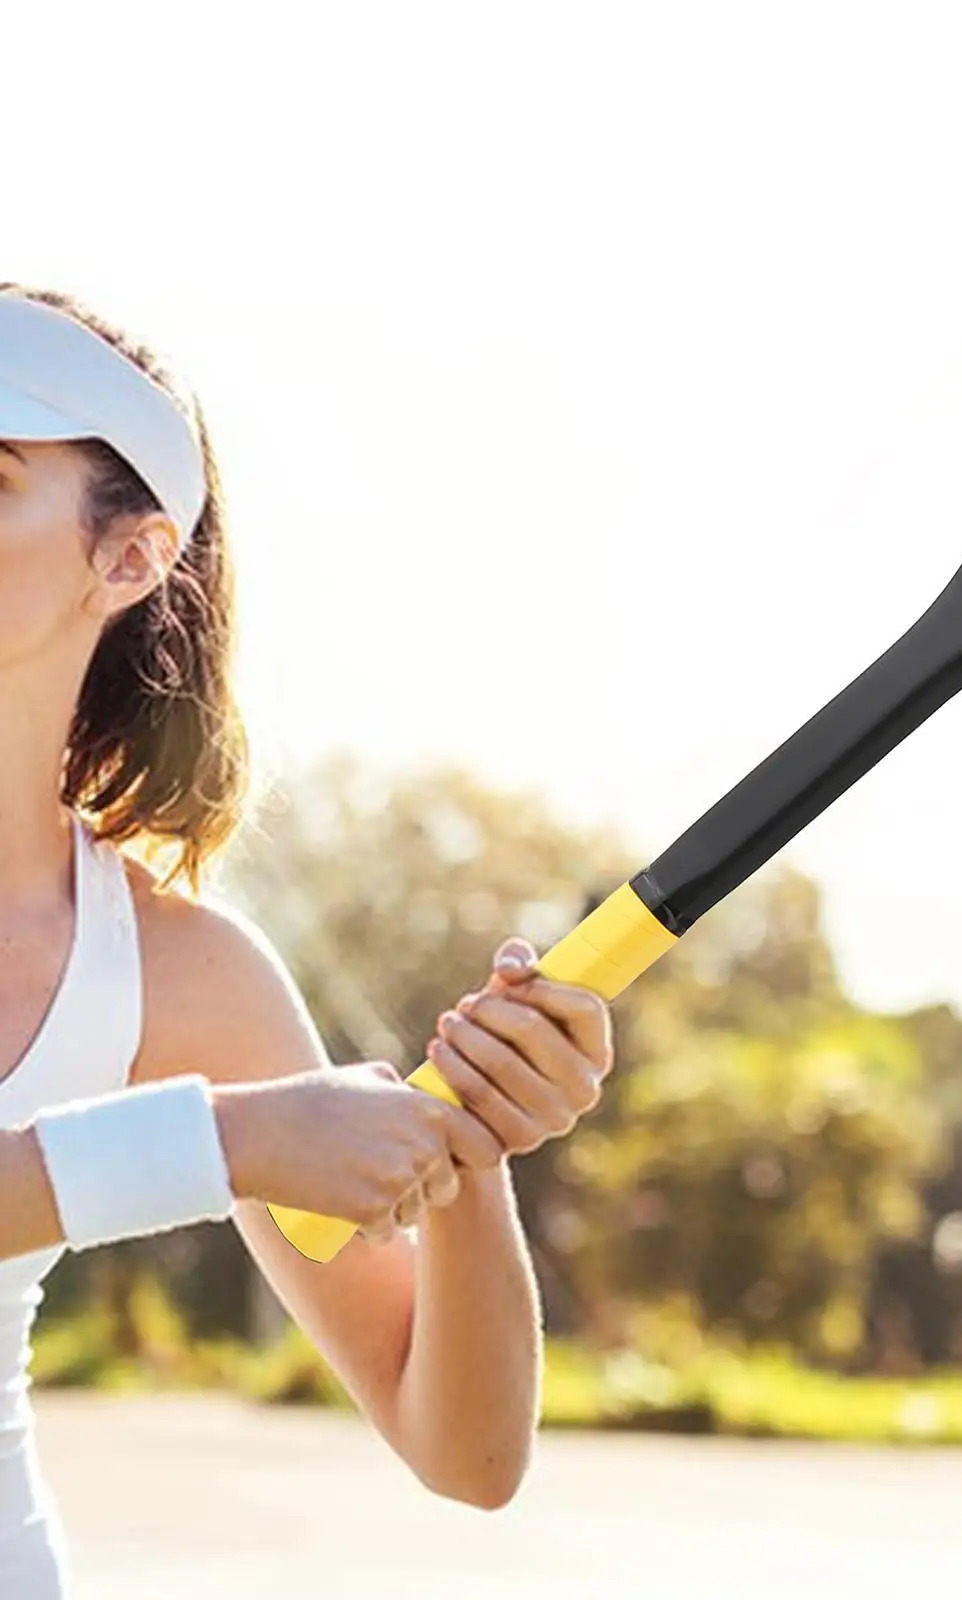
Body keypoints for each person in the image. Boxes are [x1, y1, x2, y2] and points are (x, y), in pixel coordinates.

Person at [0, 282, 615, 1596]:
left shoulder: (183, 978)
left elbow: (461, 1446)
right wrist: (220, 1142)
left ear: (131, 558)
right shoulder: (216, 1097)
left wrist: (466, 1145)